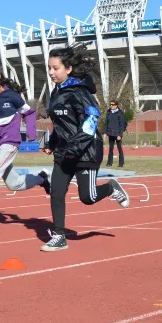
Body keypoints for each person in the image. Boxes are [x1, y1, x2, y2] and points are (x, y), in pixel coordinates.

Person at [40, 45, 130, 251]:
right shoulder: (56, 92)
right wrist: (52, 143)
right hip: (64, 152)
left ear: (68, 68)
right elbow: (62, 124)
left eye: (56, 68)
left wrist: (73, 148)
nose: (52, 73)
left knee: (87, 197)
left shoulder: (80, 92)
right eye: (49, 68)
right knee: (56, 192)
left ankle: (111, 187)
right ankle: (59, 236)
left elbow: (91, 120)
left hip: (86, 150)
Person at [0, 63, 47, 235]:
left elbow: (29, 113)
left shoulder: (11, 96)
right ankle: (42, 179)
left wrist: (31, 133)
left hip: (10, 141)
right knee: (14, 183)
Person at [104, 100, 127, 168]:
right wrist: (105, 133)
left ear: (116, 105)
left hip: (118, 134)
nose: (111, 106)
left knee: (119, 148)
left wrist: (120, 134)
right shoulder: (108, 112)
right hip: (110, 133)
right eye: (110, 104)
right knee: (111, 148)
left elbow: (122, 125)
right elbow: (106, 124)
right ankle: (109, 163)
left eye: (113, 104)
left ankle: (121, 163)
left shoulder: (120, 113)